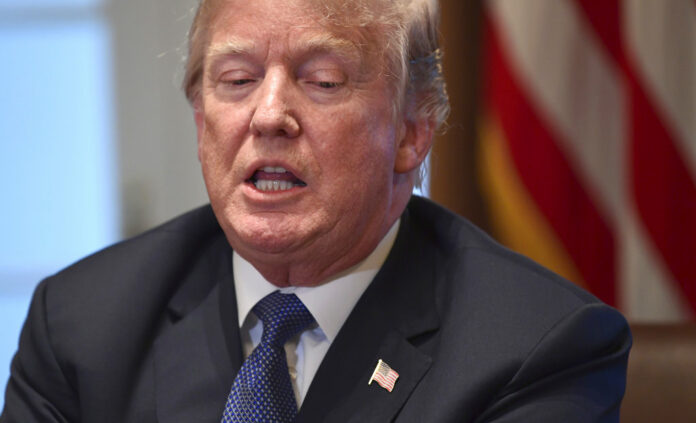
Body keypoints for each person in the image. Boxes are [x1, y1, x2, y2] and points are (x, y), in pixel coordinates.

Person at [0, 0, 631, 421]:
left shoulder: (538, 349)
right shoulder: (81, 328)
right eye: (237, 80)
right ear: (201, 120)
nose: (269, 114)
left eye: (323, 81)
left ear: (413, 130)